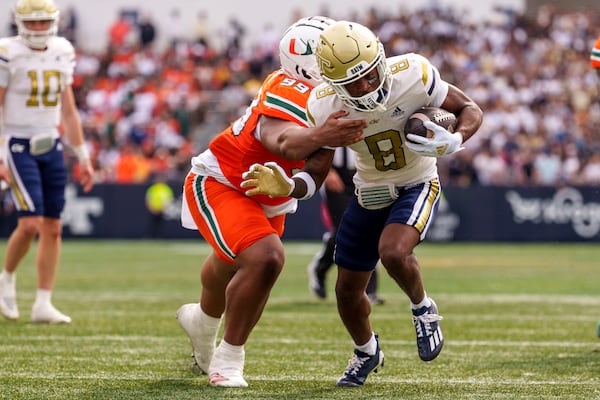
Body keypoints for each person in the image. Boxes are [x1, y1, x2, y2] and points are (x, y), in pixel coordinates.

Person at [241, 20, 483, 387]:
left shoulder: (414, 74)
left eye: (371, 75)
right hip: (368, 190)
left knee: (393, 252)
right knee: (347, 291)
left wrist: (455, 138)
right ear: (334, 84)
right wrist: (289, 186)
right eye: (355, 82)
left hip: (416, 181)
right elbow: (316, 173)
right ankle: (367, 352)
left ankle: (423, 308)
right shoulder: (324, 105)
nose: (367, 87)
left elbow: (470, 109)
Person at [175, 16, 367, 388]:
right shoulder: (287, 85)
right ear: (308, 62)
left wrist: (292, 186)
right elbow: (284, 141)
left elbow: (313, 172)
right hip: (223, 181)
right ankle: (228, 359)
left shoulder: (334, 99)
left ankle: (202, 321)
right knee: (267, 258)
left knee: (232, 262)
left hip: (269, 194)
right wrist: (323, 133)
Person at [0, 0, 95, 324]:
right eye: (34, 22)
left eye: (44, 22)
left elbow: (68, 110)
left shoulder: (62, 49)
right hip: (15, 141)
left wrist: (82, 154)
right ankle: (6, 279)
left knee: (53, 228)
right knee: (29, 223)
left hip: (50, 142)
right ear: (21, 23)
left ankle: (43, 302)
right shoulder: (7, 51)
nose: (39, 28)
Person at [307, 146, 384, 305]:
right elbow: (315, 136)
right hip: (336, 173)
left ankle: (369, 290)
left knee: (368, 229)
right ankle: (320, 268)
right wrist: (326, 170)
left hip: (365, 172)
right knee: (345, 229)